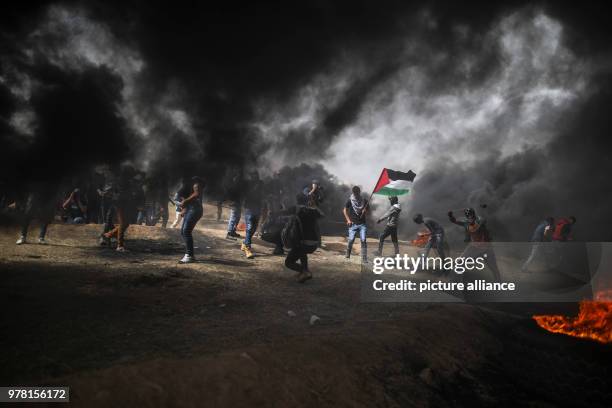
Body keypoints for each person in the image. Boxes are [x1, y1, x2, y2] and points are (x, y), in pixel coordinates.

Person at [448, 207, 501, 282]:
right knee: (460, 262)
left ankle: (499, 283)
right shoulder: (466, 222)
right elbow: (455, 221)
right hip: (474, 247)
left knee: (493, 267)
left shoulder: (479, 220)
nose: (470, 218)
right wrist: (451, 216)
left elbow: (480, 223)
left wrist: (473, 223)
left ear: (474, 215)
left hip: (486, 248)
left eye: (471, 216)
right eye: (468, 216)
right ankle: (456, 282)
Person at [284, 193, 323, 283]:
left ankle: (305, 271)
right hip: (313, 243)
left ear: (297, 200)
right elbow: (322, 215)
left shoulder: (297, 209)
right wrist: (314, 206)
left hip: (302, 242)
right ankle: (303, 273)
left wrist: (273, 213)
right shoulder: (312, 211)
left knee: (288, 262)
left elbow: (284, 212)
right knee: (302, 253)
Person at [241, 172, 267, 259]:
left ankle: (244, 243)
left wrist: (264, 206)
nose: (255, 177)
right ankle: (248, 248)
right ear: (251, 176)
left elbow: (263, 195)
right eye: (253, 175)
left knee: (254, 228)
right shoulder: (248, 184)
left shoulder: (261, 183)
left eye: (256, 175)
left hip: (257, 208)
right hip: (249, 208)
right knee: (249, 227)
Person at [178, 177, 204, 264]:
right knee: (183, 231)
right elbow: (186, 198)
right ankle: (189, 254)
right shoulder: (187, 185)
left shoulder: (196, 183)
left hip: (195, 210)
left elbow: (196, 194)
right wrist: (184, 209)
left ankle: (189, 255)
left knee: (186, 231)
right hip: (190, 209)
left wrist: (185, 201)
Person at [343, 186, 369, 263]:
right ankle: (348, 254)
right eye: (355, 193)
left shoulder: (364, 201)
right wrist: (348, 220)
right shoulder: (350, 200)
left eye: (357, 193)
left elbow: (369, 212)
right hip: (353, 224)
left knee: (363, 240)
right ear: (353, 192)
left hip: (362, 224)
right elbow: (344, 210)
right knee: (351, 240)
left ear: (359, 192)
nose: (356, 195)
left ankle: (364, 258)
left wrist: (365, 211)